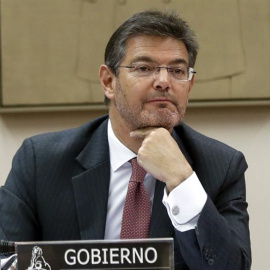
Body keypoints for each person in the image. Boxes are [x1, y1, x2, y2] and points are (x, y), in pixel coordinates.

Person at [0, 10, 251, 269]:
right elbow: (5, 260)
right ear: (109, 81)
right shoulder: (41, 162)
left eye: (177, 70)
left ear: (190, 84)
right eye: (144, 68)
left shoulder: (221, 166)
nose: (164, 81)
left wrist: (182, 181)